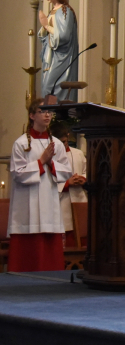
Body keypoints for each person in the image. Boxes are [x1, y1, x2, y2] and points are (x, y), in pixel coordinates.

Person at [7, 99, 73, 271]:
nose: (47, 115)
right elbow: (18, 173)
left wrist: (50, 164)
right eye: (42, 111)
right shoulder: (21, 143)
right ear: (31, 115)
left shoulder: (56, 144)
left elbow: (67, 171)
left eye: (49, 112)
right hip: (27, 201)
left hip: (49, 199)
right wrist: (41, 161)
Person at [37, 0, 79, 101]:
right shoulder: (53, 11)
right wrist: (44, 29)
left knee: (51, 86)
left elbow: (64, 36)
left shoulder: (65, 11)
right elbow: (47, 34)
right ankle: (49, 115)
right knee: (46, 87)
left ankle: (56, 115)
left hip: (62, 56)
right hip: (50, 55)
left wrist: (47, 26)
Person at [49, 121, 87, 248]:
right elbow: (48, 181)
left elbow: (87, 172)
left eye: (65, 142)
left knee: (82, 238)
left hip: (79, 199)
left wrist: (82, 179)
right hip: (62, 202)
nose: (63, 145)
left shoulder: (78, 153)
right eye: (59, 143)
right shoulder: (50, 157)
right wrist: (66, 183)